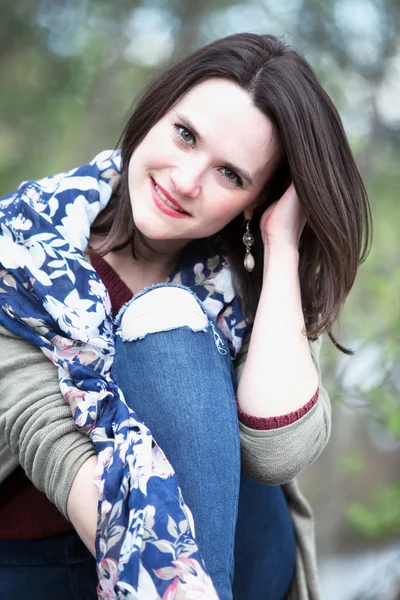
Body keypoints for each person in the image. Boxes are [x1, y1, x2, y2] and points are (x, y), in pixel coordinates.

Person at [0, 33, 371, 600]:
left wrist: (283, 244)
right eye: (185, 134)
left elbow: (278, 454)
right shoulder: (23, 251)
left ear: (255, 201)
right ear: (155, 112)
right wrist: (167, 577)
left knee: (171, 320)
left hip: (239, 559)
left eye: (232, 174)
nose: (185, 180)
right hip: (60, 552)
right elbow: (49, 437)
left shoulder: (253, 290)